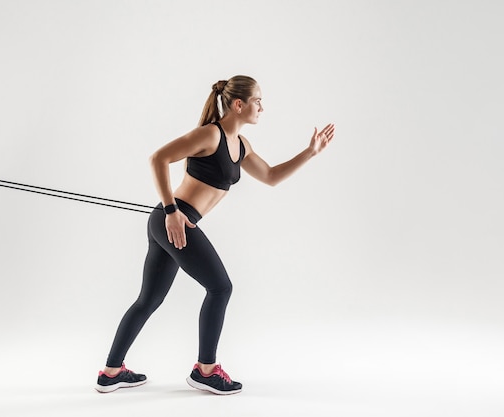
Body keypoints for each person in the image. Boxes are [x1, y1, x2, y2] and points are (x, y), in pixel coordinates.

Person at [95, 75, 335, 395]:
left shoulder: (242, 145)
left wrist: (311, 152)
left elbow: (272, 176)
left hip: (175, 221)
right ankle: (205, 370)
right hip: (175, 220)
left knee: (150, 299)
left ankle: (111, 372)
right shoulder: (210, 135)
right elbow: (158, 158)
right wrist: (170, 211)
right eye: (258, 101)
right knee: (221, 288)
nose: (262, 107)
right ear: (239, 105)